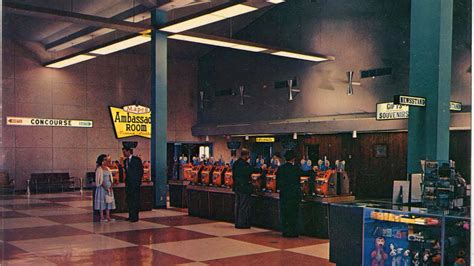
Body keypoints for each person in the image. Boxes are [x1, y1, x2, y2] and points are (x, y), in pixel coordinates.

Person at [277, 149, 311, 237]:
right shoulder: (295, 168)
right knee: (293, 214)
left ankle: (285, 231)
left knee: (285, 213)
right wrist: (313, 171)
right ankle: (293, 232)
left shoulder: (281, 168)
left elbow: (278, 183)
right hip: (294, 195)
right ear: (293, 159)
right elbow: (304, 174)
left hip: (284, 195)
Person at [232, 149, 260, 229]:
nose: (248, 157)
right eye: (248, 156)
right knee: (244, 206)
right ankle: (242, 223)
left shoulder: (236, 163)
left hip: (237, 187)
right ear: (245, 155)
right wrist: (261, 170)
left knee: (238, 205)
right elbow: (251, 170)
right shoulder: (245, 164)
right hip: (244, 188)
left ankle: (237, 223)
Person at [123, 145, 144, 222]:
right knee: (129, 200)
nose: (124, 153)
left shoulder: (136, 160)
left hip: (135, 184)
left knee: (135, 200)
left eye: (124, 152)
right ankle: (130, 215)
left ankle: (135, 217)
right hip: (128, 184)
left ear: (129, 151)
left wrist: (138, 181)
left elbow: (141, 171)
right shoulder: (125, 161)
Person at [94, 154, 116, 223]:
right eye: (105, 160)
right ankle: (102, 217)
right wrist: (105, 187)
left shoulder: (108, 168)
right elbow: (100, 180)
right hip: (102, 188)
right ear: (102, 161)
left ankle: (108, 216)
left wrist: (111, 186)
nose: (106, 161)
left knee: (108, 202)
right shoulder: (99, 169)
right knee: (102, 202)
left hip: (109, 187)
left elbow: (110, 178)